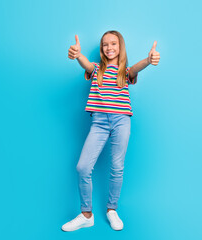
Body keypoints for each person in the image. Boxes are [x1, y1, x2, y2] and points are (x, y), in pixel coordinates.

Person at [62, 30, 160, 232]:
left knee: (117, 167)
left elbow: (135, 70)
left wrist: (149, 60)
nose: (109, 48)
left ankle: (111, 209)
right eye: (105, 44)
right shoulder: (97, 69)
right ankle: (86, 214)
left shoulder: (124, 72)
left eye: (113, 44)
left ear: (120, 47)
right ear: (101, 49)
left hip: (121, 121)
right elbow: (86, 65)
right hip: (98, 122)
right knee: (82, 167)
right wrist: (78, 55)